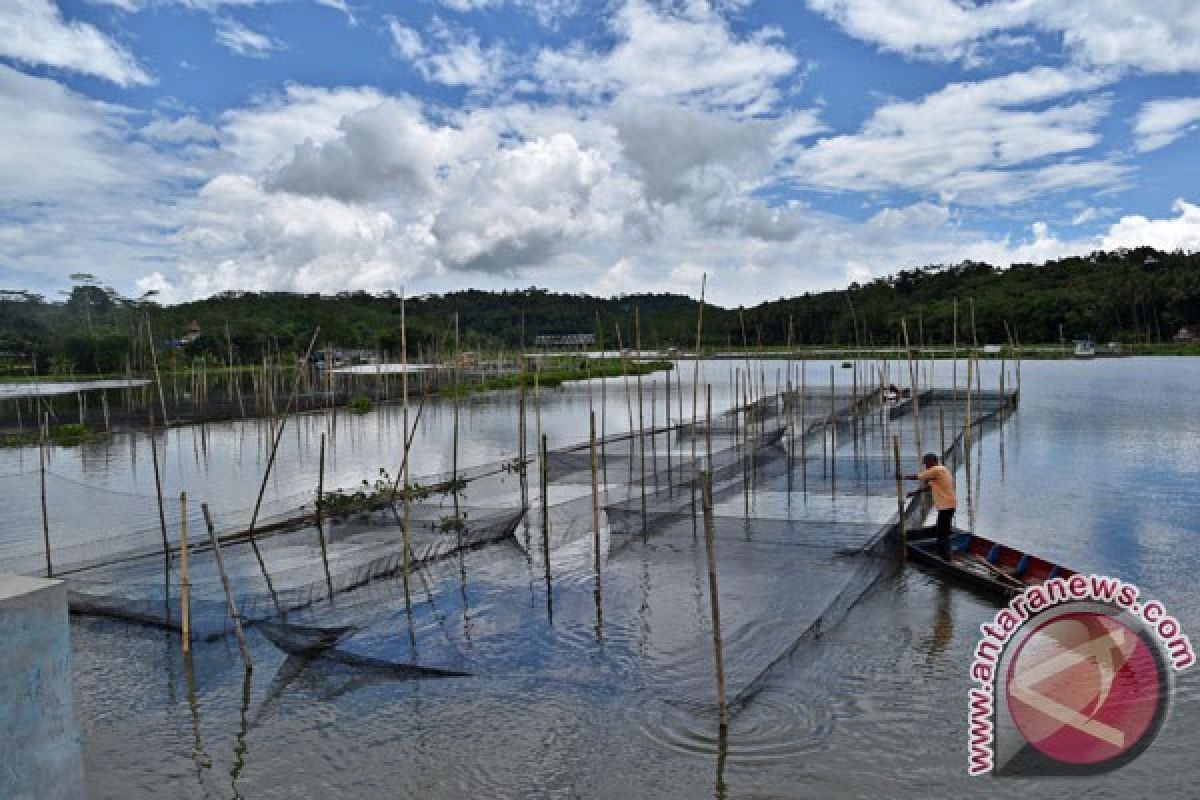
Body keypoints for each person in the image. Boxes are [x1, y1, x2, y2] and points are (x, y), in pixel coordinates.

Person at [904, 453, 957, 558]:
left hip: (946, 506)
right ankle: (943, 552)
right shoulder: (942, 470)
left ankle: (945, 555)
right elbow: (929, 486)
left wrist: (903, 476)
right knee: (942, 529)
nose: (926, 466)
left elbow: (919, 476)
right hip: (949, 505)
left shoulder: (937, 470)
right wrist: (914, 493)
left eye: (927, 463)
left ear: (932, 461)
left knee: (942, 532)